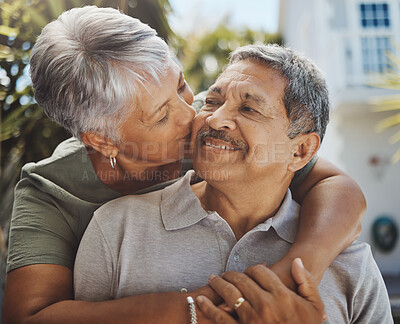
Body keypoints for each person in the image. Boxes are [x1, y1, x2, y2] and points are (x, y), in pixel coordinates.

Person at [2, 6, 366, 324]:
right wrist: (214, 309)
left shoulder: (217, 134)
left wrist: (295, 274)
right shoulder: (52, 194)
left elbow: (337, 187)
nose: (192, 115)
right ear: (103, 141)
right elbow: (30, 317)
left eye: (181, 86)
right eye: (161, 116)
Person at [73, 44, 392, 323]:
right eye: (212, 101)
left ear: (300, 151)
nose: (213, 119)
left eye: (249, 108)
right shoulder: (115, 228)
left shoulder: (350, 266)